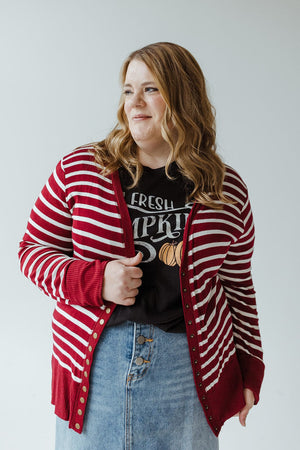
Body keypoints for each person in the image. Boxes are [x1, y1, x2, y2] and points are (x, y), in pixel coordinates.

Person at [18, 42, 264, 450]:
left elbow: (238, 286)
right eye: (128, 90)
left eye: (150, 89)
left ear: (183, 96)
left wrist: (250, 370)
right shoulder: (80, 169)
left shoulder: (226, 190)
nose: (135, 102)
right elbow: (32, 250)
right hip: (95, 371)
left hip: (189, 373)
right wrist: (95, 280)